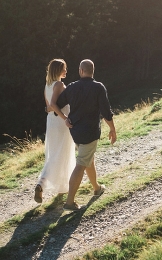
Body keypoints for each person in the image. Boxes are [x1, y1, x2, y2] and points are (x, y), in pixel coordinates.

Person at [53, 59, 117, 211]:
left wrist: (65, 118)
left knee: (88, 158)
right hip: (90, 132)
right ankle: (69, 202)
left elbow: (57, 104)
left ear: (81, 71)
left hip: (75, 131)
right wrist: (113, 129)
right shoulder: (98, 87)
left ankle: (97, 187)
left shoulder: (72, 87)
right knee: (81, 164)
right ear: (92, 71)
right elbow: (106, 112)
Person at [34, 59, 76, 203]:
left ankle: (54, 186)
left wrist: (54, 110)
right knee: (61, 153)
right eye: (64, 69)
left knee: (55, 153)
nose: (66, 71)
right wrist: (65, 117)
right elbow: (52, 104)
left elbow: (48, 108)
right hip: (60, 122)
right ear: (58, 70)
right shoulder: (59, 84)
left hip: (51, 121)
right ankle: (47, 184)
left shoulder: (47, 85)